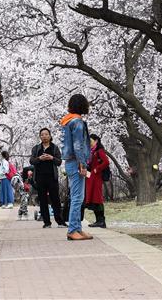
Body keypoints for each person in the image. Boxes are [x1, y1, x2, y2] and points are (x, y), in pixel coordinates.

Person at [60, 93, 92, 241]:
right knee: (78, 197)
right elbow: (78, 145)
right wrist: (82, 163)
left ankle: (77, 228)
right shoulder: (77, 122)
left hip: (69, 161)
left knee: (78, 196)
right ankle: (73, 230)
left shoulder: (66, 121)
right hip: (76, 161)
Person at [29, 127, 66, 228]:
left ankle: (60, 221)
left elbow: (59, 162)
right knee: (43, 200)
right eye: (42, 135)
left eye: (46, 134)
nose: (44, 136)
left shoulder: (54, 148)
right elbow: (31, 161)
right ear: (40, 137)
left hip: (52, 177)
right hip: (40, 178)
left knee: (55, 200)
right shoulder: (36, 148)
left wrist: (51, 158)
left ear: (50, 136)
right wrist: (39, 158)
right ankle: (47, 222)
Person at [83, 133, 108, 228]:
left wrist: (96, 169)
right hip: (90, 177)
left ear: (96, 141)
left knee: (97, 198)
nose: (89, 143)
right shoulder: (90, 151)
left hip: (97, 177)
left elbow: (106, 162)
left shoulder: (99, 150)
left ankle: (101, 221)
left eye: (91, 141)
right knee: (93, 198)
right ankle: (98, 220)